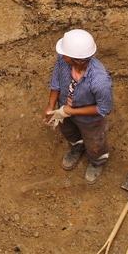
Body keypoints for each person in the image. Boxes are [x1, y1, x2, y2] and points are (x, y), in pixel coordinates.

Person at [43, 29, 114, 184]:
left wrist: (72, 111)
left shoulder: (99, 81)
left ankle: (97, 162)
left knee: (95, 143)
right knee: (69, 132)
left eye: (65, 54)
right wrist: (51, 105)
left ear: (79, 60)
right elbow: (56, 81)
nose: (62, 55)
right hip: (65, 110)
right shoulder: (63, 60)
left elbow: (104, 109)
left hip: (90, 121)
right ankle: (77, 148)